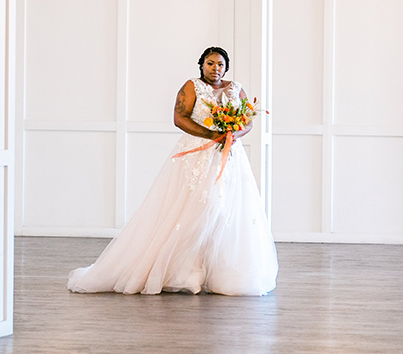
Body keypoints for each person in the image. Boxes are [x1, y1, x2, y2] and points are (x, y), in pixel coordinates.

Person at [67, 47, 278, 296]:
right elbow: (180, 118)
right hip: (197, 155)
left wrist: (232, 135)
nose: (215, 69)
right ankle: (185, 271)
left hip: (229, 156)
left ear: (226, 67)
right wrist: (212, 135)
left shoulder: (236, 88)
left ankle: (222, 273)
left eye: (220, 64)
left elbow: (248, 121)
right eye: (210, 63)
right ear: (202, 65)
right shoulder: (191, 87)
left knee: (227, 210)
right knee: (198, 208)